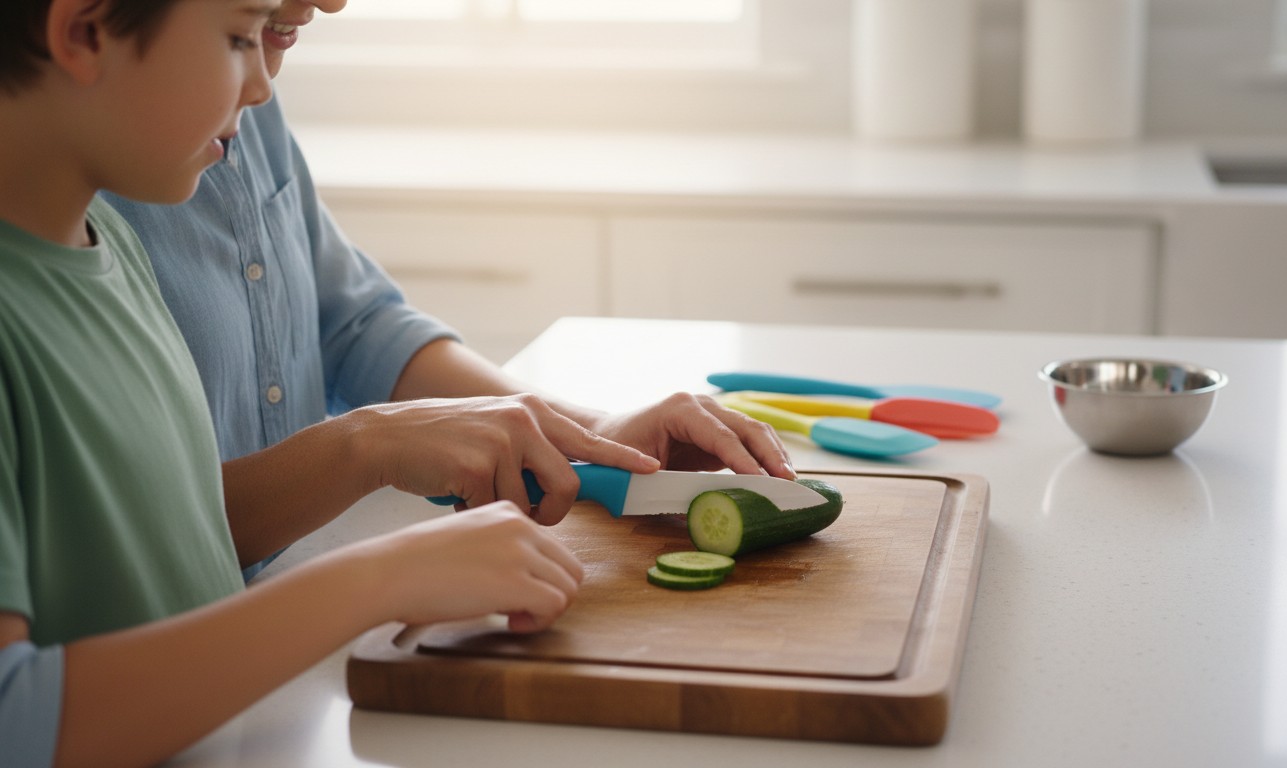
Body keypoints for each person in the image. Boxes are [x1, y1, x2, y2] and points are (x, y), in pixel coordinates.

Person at [0, 1, 586, 765]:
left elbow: (175, 541)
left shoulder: (106, 240)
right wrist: (381, 577)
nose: (261, 87)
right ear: (85, 31)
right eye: (237, 38)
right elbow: (15, 719)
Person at [102, 0, 794, 581]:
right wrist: (367, 450)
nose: (335, 3)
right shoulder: (89, 193)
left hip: (286, 593)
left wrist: (592, 434)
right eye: (234, 38)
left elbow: (358, 327)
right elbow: (120, 539)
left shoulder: (247, 99)